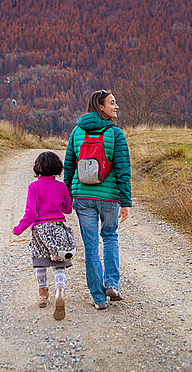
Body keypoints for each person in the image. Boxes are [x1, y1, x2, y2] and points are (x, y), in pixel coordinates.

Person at [63, 89, 132, 310]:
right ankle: (112, 283)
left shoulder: (77, 132)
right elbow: (123, 170)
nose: (116, 106)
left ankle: (98, 298)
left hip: (82, 196)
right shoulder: (116, 134)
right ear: (100, 106)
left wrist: (66, 195)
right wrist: (126, 201)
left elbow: (69, 166)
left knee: (91, 246)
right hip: (109, 198)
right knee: (110, 237)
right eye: (112, 103)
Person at [13, 150, 75, 320]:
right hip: (57, 227)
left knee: (40, 262)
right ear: (57, 168)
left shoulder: (33, 187)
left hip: (40, 230)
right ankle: (60, 290)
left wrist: (19, 228)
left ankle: (42, 294)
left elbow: (31, 213)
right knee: (59, 262)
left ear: (37, 168)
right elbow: (67, 209)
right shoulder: (61, 186)